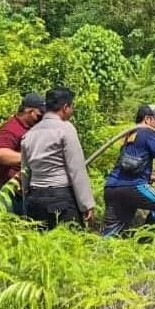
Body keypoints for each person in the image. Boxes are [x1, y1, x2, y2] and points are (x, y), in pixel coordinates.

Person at [20, 87, 94, 229]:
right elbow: (76, 169)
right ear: (65, 107)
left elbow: (25, 172)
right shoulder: (65, 129)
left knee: (41, 247)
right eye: (72, 107)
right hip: (61, 198)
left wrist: (27, 201)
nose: (72, 111)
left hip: (35, 199)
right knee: (69, 246)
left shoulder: (30, 134)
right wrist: (87, 204)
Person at [101, 104, 155, 237]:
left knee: (112, 230)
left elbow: (127, 166)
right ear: (148, 119)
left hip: (112, 187)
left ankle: (98, 254)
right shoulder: (147, 132)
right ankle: (145, 241)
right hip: (133, 186)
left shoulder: (130, 135)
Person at [0, 93, 45, 211]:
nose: (41, 119)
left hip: (18, 194)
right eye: (39, 116)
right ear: (29, 112)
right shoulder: (11, 129)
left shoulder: (31, 129)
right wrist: (30, 158)